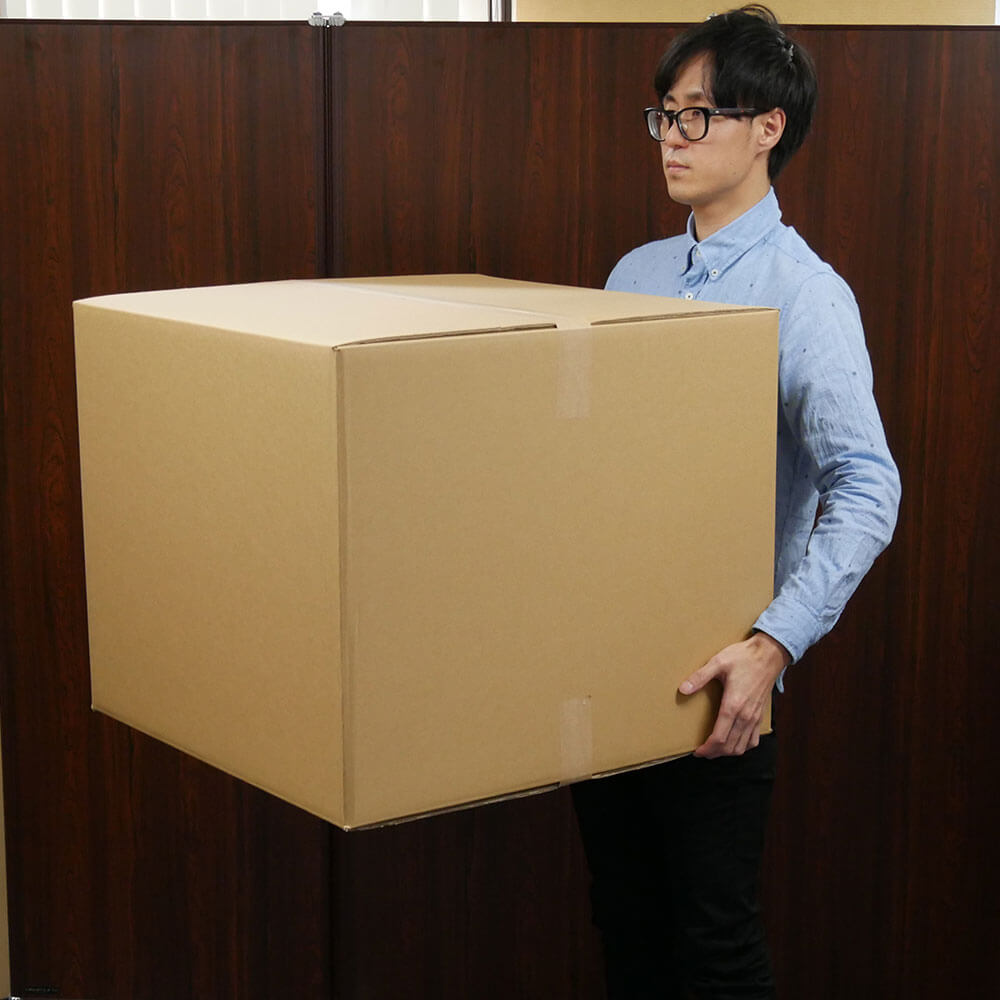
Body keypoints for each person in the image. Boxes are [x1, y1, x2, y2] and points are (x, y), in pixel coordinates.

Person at [571, 7, 901, 998]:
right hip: (605, 664)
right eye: (664, 114)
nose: (672, 138)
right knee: (624, 929)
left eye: (698, 115)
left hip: (718, 685)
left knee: (714, 948)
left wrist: (770, 647)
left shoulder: (805, 295)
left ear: (768, 127)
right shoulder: (632, 275)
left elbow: (867, 486)